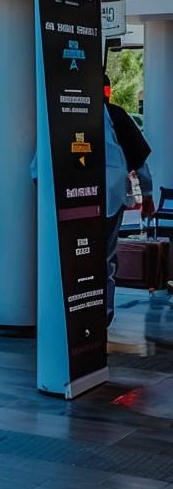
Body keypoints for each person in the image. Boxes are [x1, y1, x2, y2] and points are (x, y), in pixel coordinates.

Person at [102, 74, 154, 326]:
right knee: (106, 255)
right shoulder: (116, 115)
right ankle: (104, 311)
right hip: (110, 198)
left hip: (70, 200)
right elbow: (139, 159)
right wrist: (147, 195)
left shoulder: (63, 111)